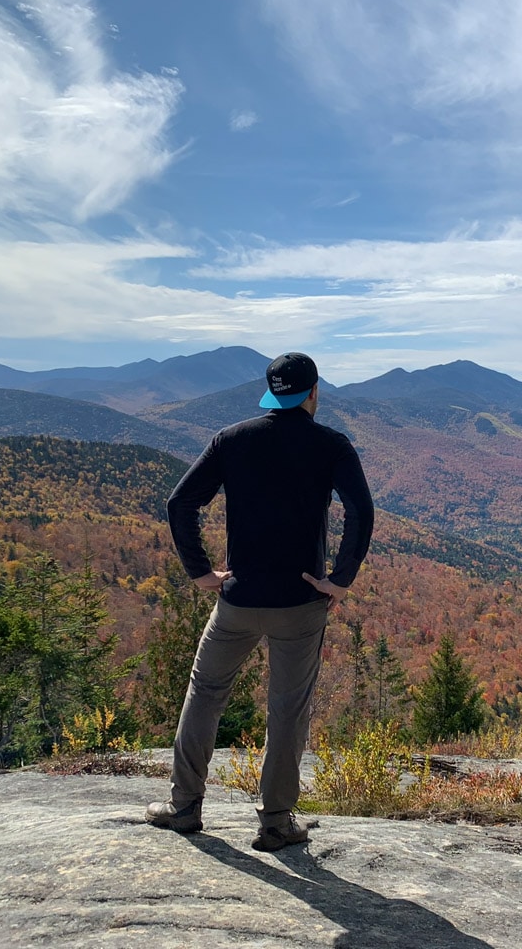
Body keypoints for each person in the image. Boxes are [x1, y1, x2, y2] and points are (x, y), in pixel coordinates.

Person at [145, 351, 374, 851]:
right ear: (315, 392)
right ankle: (275, 822)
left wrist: (201, 573)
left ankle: (184, 807)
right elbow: (361, 509)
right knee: (288, 709)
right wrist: (340, 579)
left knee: (205, 693)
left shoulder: (233, 439)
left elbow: (180, 502)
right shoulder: (331, 445)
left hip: (237, 599)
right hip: (301, 601)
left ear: (271, 390)